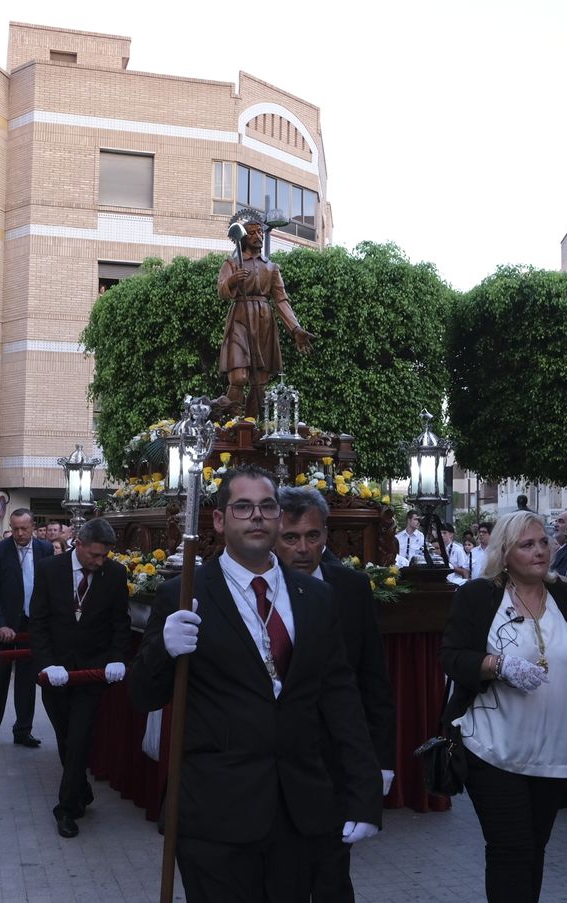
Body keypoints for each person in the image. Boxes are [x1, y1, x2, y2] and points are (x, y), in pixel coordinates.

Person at [130, 466, 381, 901]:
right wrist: (162, 651)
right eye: (243, 507)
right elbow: (142, 694)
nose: (257, 516)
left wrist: (365, 793)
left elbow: (341, 699)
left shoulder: (316, 597)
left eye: (267, 506)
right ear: (219, 520)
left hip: (299, 811)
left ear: (280, 517)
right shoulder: (185, 593)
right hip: (216, 815)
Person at [439, 509, 567, 902]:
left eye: (543, 542)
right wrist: (497, 665)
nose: (539, 551)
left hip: (555, 753)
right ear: (504, 553)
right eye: (527, 545)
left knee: (534, 848)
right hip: (493, 747)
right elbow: (452, 657)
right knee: (511, 850)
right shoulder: (479, 596)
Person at [274, 486, 395, 901]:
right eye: (291, 537)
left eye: (313, 536)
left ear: (326, 533)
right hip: (274, 766)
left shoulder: (352, 587)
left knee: (331, 878)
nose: (303, 548)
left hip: (335, 762)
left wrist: (380, 762)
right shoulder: (253, 590)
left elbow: (373, 680)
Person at [28, 518, 130, 838]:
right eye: (95, 555)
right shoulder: (49, 569)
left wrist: (117, 658)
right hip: (55, 672)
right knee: (64, 736)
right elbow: (38, 622)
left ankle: (66, 808)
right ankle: (81, 789)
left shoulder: (115, 574)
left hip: (91, 672)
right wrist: (47, 665)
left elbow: (120, 623)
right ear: (79, 544)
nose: (100, 562)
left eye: (105, 556)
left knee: (79, 737)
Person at [215, 209, 315, 417]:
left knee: (259, 381)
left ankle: (251, 425)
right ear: (243, 237)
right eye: (252, 232)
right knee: (239, 377)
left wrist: (295, 329)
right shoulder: (232, 263)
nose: (258, 236)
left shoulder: (271, 267)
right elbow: (222, 290)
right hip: (240, 319)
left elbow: (281, 300)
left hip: (264, 323)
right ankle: (230, 422)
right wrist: (232, 281)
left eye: (260, 232)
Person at [0, 507, 51, 747]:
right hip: (6, 626)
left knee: (27, 680)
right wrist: (0, 625)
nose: (19, 533)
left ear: (33, 527)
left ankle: (23, 730)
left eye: (24, 528)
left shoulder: (45, 549)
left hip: (33, 625)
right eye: (15, 528)